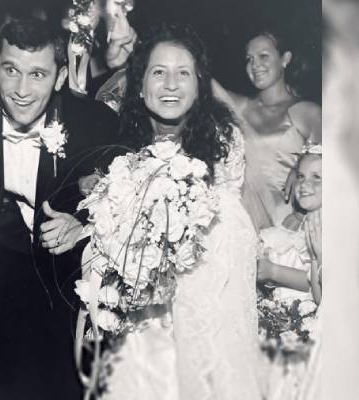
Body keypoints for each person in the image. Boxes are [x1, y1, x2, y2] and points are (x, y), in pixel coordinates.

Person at [0, 0, 122, 398]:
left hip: (61, 296)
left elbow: (127, 202)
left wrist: (83, 226)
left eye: (38, 75)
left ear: (60, 78)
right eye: (11, 71)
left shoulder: (94, 124)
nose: (22, 91)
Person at [89, 22, 263, 400]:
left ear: (199, 85)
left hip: (208, 300)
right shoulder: (117, 142)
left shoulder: (222, 142)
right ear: (139, 85)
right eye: (158, 72)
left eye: (183, 73)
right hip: (141, 314)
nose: (171, 84)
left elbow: (231, 235)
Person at [213, 27, 322, 232]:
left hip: (289, 223)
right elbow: (203, 82)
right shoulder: (240, 108)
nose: (255, 64)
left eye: (263, 56)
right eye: (249, 59)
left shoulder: (305, 111)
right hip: (244, 225)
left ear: (285, 59)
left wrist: (300, 168)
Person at [256, 147, 322, 400]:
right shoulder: (294, 221)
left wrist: (273, 271)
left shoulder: (327, 227)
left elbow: (315, 288)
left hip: (306, 323)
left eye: (317, 177)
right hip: (277, 318)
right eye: (301, 176)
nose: (305, 184)